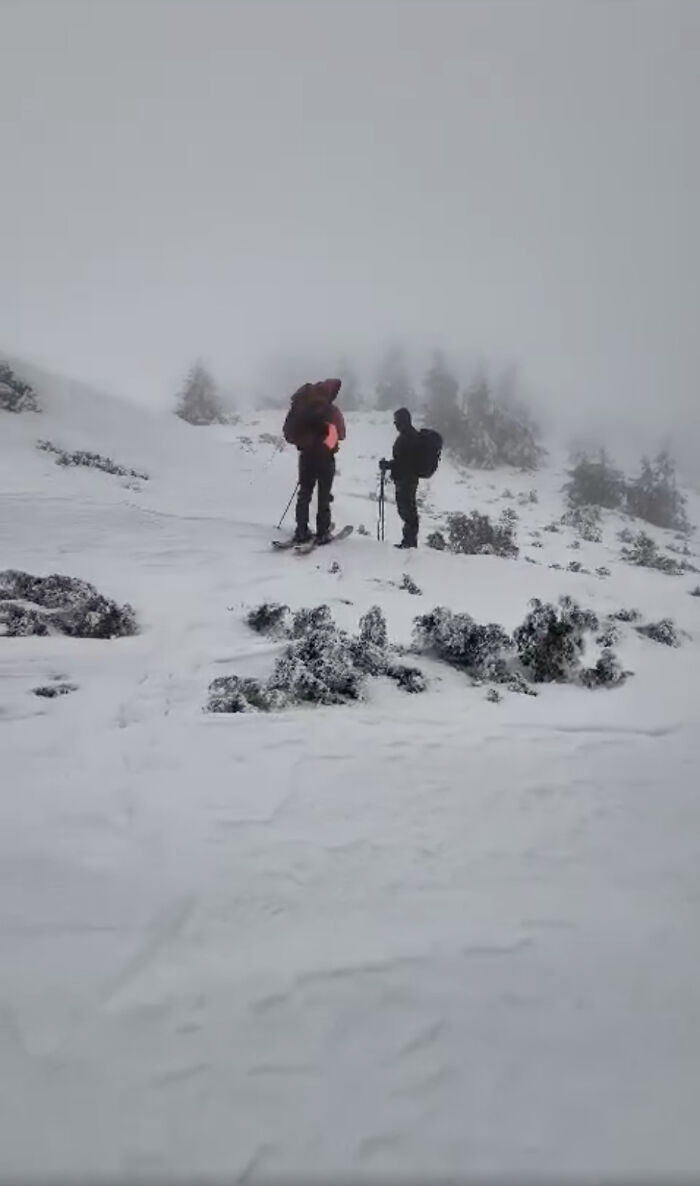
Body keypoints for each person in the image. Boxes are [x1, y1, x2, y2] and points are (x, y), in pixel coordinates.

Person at [283, 378, 346, 544]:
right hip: (325, 458)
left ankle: (301, 530)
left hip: (306, 457)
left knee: (304, 493)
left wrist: (306, 443)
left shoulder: (300, 407)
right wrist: (327, 444)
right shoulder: (331, 411)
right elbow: (341, 434)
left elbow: (289, 433)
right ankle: (322, 531)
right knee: (324, 496)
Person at [380, 407, 421, 548]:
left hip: (405, 480)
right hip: (409, 479)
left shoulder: (406, 438)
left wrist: (388, 465)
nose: (395, 424)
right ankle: (410, 542)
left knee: (407, 510)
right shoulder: (411, 435)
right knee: (408, 509)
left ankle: (409, 543)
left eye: (396, 421)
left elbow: (403, 462)